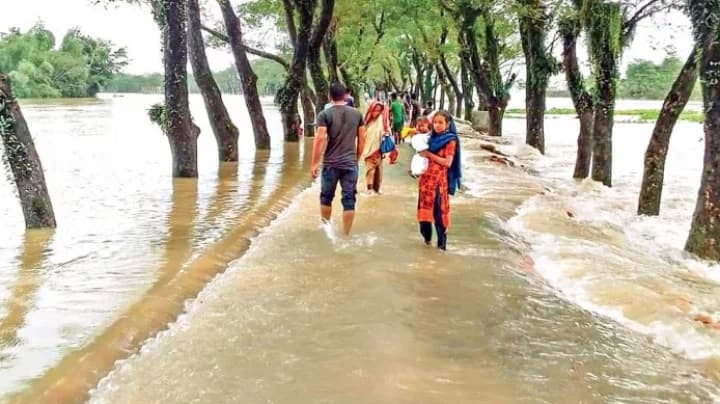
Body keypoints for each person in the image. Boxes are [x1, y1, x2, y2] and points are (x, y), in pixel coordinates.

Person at [311, 82, 366, 236]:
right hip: (350, 163)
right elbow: (362, 138)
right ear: (345, 96)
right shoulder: (357, 114)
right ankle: (346, 235)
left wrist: (314, 163)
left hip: (330, 164)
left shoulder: (325, 114)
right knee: (349, 199)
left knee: (326, 196)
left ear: (330, 96)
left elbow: (320, 139)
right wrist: (357, 157)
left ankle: (327, 231)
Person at [416, 111, 462, 250]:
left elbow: (447, 163)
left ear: (448, 124)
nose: (437, 125)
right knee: (424, 217)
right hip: (425, 182)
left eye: (440, 122)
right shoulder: (429, 139)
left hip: (438, 183)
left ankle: (441, 248)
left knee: (439, 216)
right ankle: (427, 245)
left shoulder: (450, 140)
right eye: (435, 122)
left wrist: (428, 154)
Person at [360, 100, 388, 194]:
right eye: (375, 110)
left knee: (378, 172)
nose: (376, 112)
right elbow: (361, 137)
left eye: (379, 110)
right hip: (368, 151)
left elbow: (385, 134)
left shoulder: (381, 120)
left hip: (379, 150)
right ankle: (369, 189)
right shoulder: (365, 122)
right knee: (370, 170)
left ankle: (376, 189)